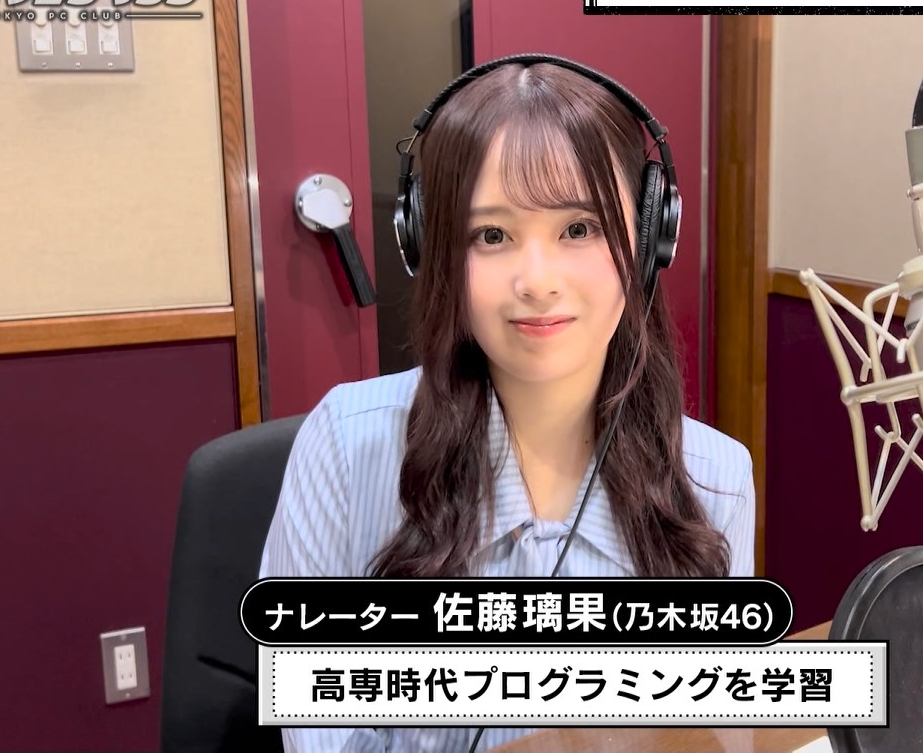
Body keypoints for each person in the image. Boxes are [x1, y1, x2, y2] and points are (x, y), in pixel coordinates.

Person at [258, 55, 754, 753]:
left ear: (649, 239)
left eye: (579, 228)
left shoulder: (716, 476)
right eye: (491, 235)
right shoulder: (344, 447)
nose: (537, 282)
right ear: (433, 250)